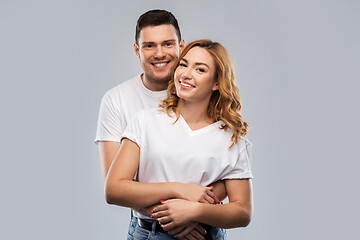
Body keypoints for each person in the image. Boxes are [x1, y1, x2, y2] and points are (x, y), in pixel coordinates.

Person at [95, 10, 227, 239]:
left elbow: (229, 170)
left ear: (181, 45)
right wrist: (170, 219)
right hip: (149, 228)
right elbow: (117, 187)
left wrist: (193, 214)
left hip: (203, 227)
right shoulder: (117, 100)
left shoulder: (205, 91)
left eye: (167, 44)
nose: (159, 53)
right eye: (149, 46)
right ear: (137, 50)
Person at [105, 39, 253, 240]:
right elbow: (114, 189)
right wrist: (180, 190)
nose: (186, 74)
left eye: (200, 70)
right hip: (150, 233)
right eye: (183, 64)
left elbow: (242, 212)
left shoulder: (231, 138)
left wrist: (194, 212)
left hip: (203, 235)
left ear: (217, 82)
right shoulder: (145, 121)